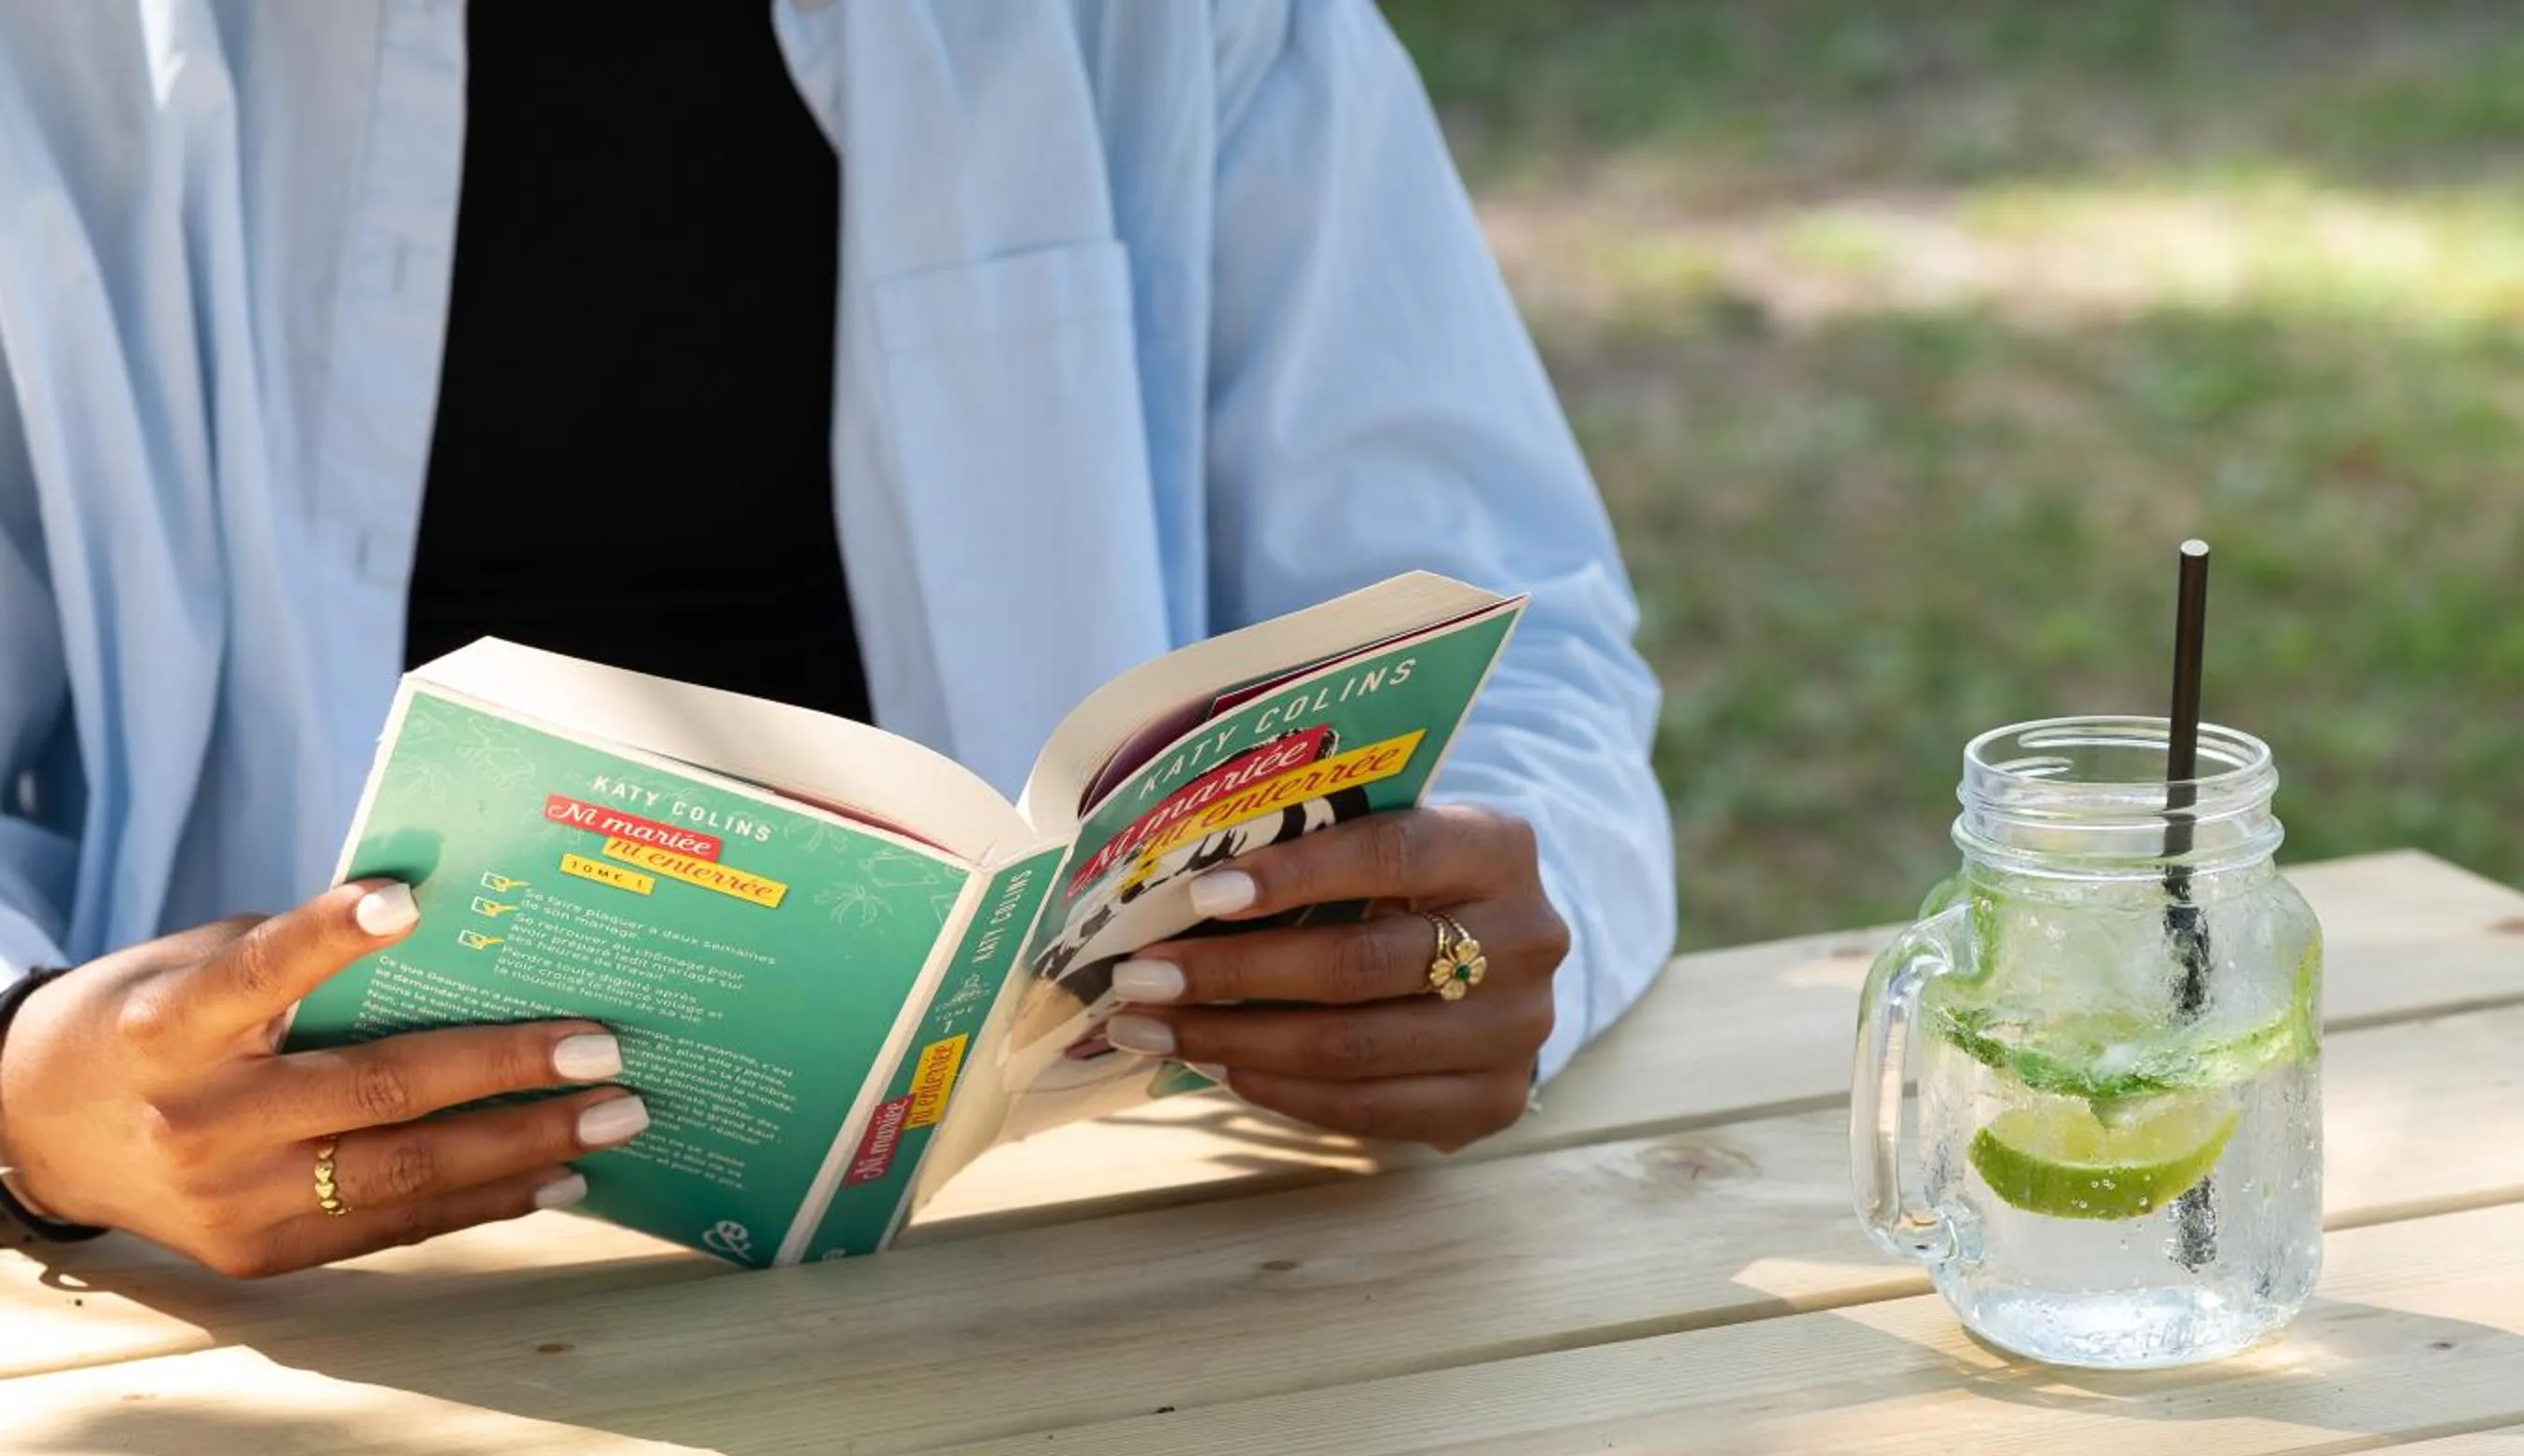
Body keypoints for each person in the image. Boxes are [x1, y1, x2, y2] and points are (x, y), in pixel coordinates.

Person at [0, 2, 1675, 1277]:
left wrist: (1484, 950)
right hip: (293, 1292)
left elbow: (1513, 629)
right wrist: (28, 1088)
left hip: (1085, 1243)